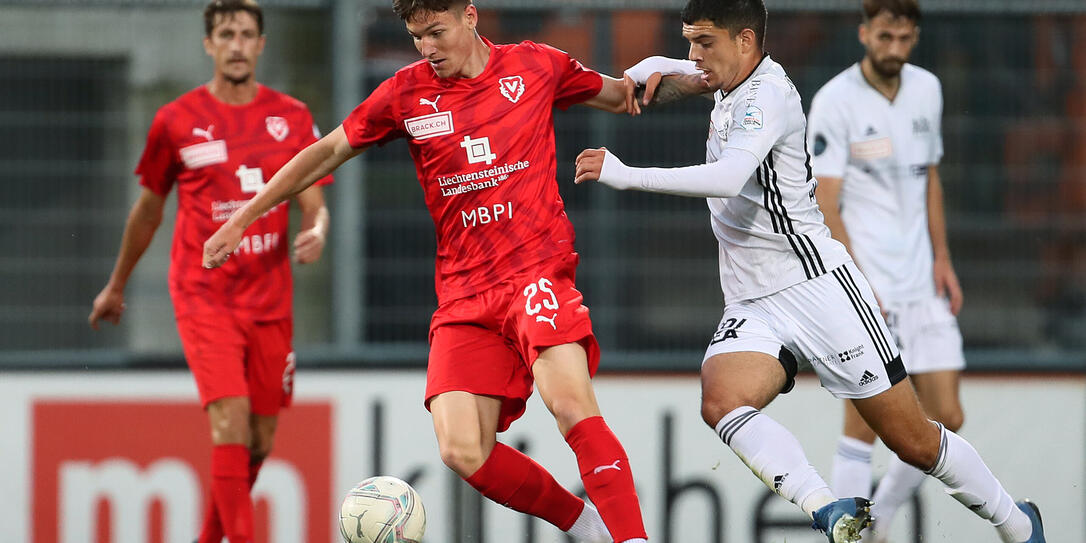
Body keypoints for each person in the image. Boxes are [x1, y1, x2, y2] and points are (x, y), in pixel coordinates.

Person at [574, 1, 1046, 542]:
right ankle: (826, 507)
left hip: (818, 287)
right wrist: (638, 71)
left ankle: (1017, 524)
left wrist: (627, 174)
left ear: (746, 40)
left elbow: (728, 177)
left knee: (912, 441)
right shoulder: (727, 75)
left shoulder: (769, 95)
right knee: (720, 399)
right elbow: (683, 73)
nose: (694, 55)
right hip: (753, 301)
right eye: (689, 41)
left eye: (704, 42)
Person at [203, 1, 649, 541]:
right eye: (416, 37)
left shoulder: (536, 66)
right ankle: (586, 526)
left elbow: (624, 93)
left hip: (536, 274)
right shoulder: (406, 94)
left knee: (570, 402)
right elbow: (324, 153)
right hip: (465, 295)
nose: (427, 49)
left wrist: (703, 77)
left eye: (436, 33)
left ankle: (633, 539)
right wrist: (245, 217)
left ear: (470, 15)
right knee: (463, 450)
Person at [87, 1, 332, 542]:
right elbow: (149, 208)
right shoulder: (175, 120)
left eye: (247, 34)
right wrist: (117, 284)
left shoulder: (290, 116)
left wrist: (318, 228)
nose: (237, 44)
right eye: (226, 34)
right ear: (209, 44)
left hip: (270, 299)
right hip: (205, 296)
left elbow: (313, 198)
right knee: (231, 425)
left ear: (262, 44)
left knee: (261, 440)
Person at [805, 0, 966, 538]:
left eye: (903, 38)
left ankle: (878, 521)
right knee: (865, 427)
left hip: (922, 284)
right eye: (884, 37)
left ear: (914, 37)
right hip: (870, 290)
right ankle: (852, 533)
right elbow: (826, 204)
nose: (893, 49)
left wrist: (943, 258)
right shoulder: (835, 102)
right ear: (864, 33)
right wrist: (856, 284)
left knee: (947, 419)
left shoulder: (928, 90)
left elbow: (931, 178)